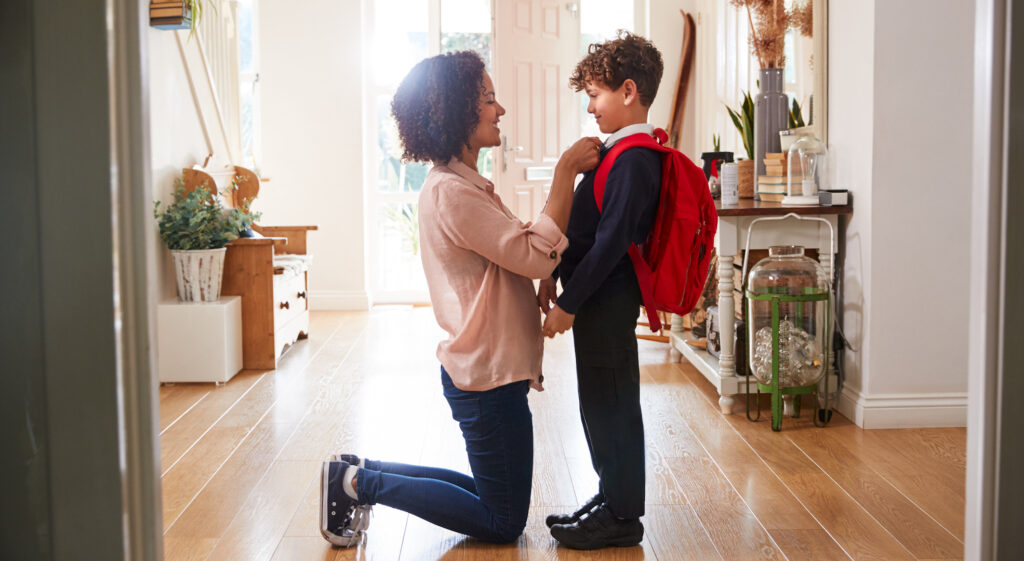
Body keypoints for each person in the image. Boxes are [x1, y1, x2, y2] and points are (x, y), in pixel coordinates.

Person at [319, 50, 602, 547]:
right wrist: (564, 173)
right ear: (457, 113)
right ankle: (360, 484)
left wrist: (537, 271)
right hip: (487, 379)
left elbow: (515, 253)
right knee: (502, 520)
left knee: (493, 496)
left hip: (487, 372)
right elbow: (534, 253)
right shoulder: (454, 193)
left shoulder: (462, 185)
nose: (501, 110)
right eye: (489, 100)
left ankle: (358, 471)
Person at [537, 31, 665, 550]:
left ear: (628, 91)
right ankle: (611, 497)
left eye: (595, 95)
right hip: (597, 300)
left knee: (612, 404)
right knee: (598, 401)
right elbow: (588, 229)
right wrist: (553, 270)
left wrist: (569, 303)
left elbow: (612, 242)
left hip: (607, 300)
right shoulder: (617, 152)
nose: (590, 107)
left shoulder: (635, 157)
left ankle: (623, 515)